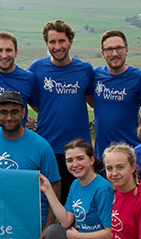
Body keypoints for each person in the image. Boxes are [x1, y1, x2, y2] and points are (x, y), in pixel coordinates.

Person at [0, 91, 61, 239]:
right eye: (4, 112)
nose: (9, 117)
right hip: (1, 222)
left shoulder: (41, 146)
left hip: (34, 221)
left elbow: (55, 184)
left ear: (23, 113)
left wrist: (49, 225)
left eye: (14, 112)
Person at [28, 20, 94, 197]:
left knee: (79, 204)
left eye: (62, 41)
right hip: (48, 148)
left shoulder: (85, 70)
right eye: (52, 42)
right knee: (48, 203)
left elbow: (91, 100)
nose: (57, 46)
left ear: (70, 41)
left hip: (79, 151)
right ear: (46, 44)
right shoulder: (37, 68)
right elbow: (34, 101)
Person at [40, 139, 114, 239]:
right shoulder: (75, 184)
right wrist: (48, 190)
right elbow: (66, 221)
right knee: (52, 232)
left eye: (80, 158)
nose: (75, 164)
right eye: (70, 160)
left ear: (92, 160)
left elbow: (111, 233)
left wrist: (80, 238)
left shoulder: (103, 188)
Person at [92, 29, 141, 152]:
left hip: (131, 154)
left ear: (126, 50)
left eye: (119, 48)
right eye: (109, 49)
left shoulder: (140, 78)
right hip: (102, 154)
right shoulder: (95, 75)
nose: (114, 53)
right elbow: (90, 99)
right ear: (103, 53)